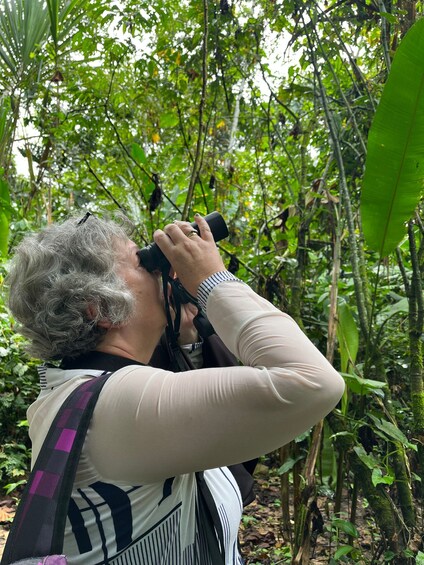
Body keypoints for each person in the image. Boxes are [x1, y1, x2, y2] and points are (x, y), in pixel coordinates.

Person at [6, 212, 345, 564]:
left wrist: (186, 332)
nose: (162, 270)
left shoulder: (78, 391)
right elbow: (313, 382)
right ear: (100, 309)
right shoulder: (117, 405)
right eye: (144, 262)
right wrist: (212, 280)